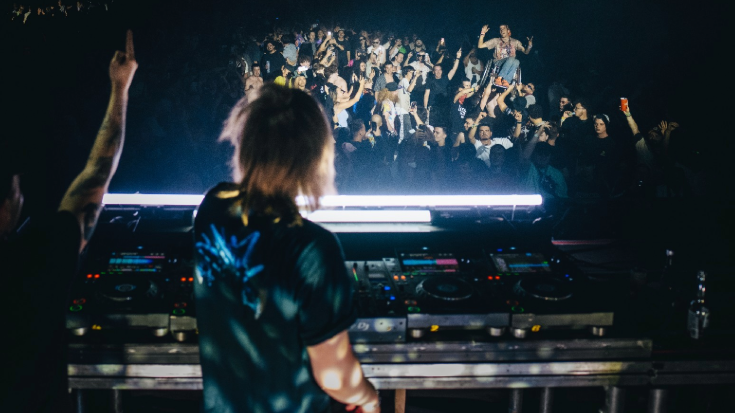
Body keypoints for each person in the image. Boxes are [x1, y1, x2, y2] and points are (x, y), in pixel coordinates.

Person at [194, 84, 380, 413]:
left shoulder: (212, 208)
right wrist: (367, 397)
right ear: (314, 157)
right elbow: (334, 375)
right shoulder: (313, 249)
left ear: (245, 145)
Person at [0, 30, 137, 413]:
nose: (21, 196)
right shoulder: (38, 259)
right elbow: (97, 172)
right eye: (14, 190)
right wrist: (120, 87)